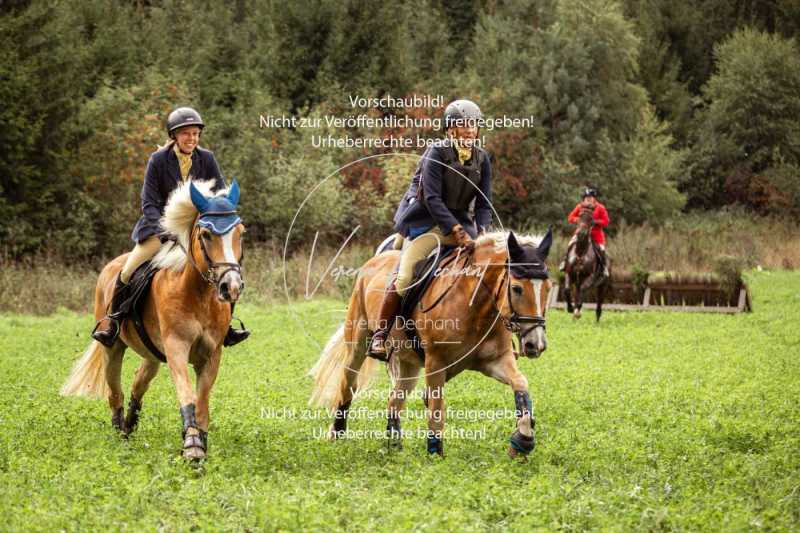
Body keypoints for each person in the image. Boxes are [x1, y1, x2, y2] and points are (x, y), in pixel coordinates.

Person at [92, 107, 250, 348]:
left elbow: (220, 194)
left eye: (196, 133)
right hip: (160, 232)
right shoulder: (158, 160)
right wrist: (165, 230)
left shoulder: (206, 158)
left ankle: (226, 327)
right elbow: (148, 202)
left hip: (198, 232)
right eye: (186, 133)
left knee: (226, 269)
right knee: (127, 271)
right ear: (174, 136)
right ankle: (113, 323)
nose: (192, 138)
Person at [367, 99, 493, 361]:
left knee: (487, 272)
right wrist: (455, 230)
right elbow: (432, 199)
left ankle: (492, 336)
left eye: (473, 125)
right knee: (404, 277)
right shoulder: (436, 152)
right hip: (428, 222)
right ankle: (380, 335)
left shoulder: (483, 159)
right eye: (463, 125)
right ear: (450, 130)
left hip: (462, 224)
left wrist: (482, 233)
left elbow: (484, 203)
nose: (469, 130)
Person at [561, 187, 610, 278]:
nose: (588, 199)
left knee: (602, 250)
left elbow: (606, 221)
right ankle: (564, 263)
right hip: (580, 233)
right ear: (584, 198)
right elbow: (570, 217)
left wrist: (596, 222)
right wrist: (578, 220)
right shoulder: (580, 206)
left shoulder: (600, 208)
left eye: (590, 197)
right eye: (587, 197)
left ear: (594, 198)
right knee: (570, 244)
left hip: (596, 235)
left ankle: (604, 268)